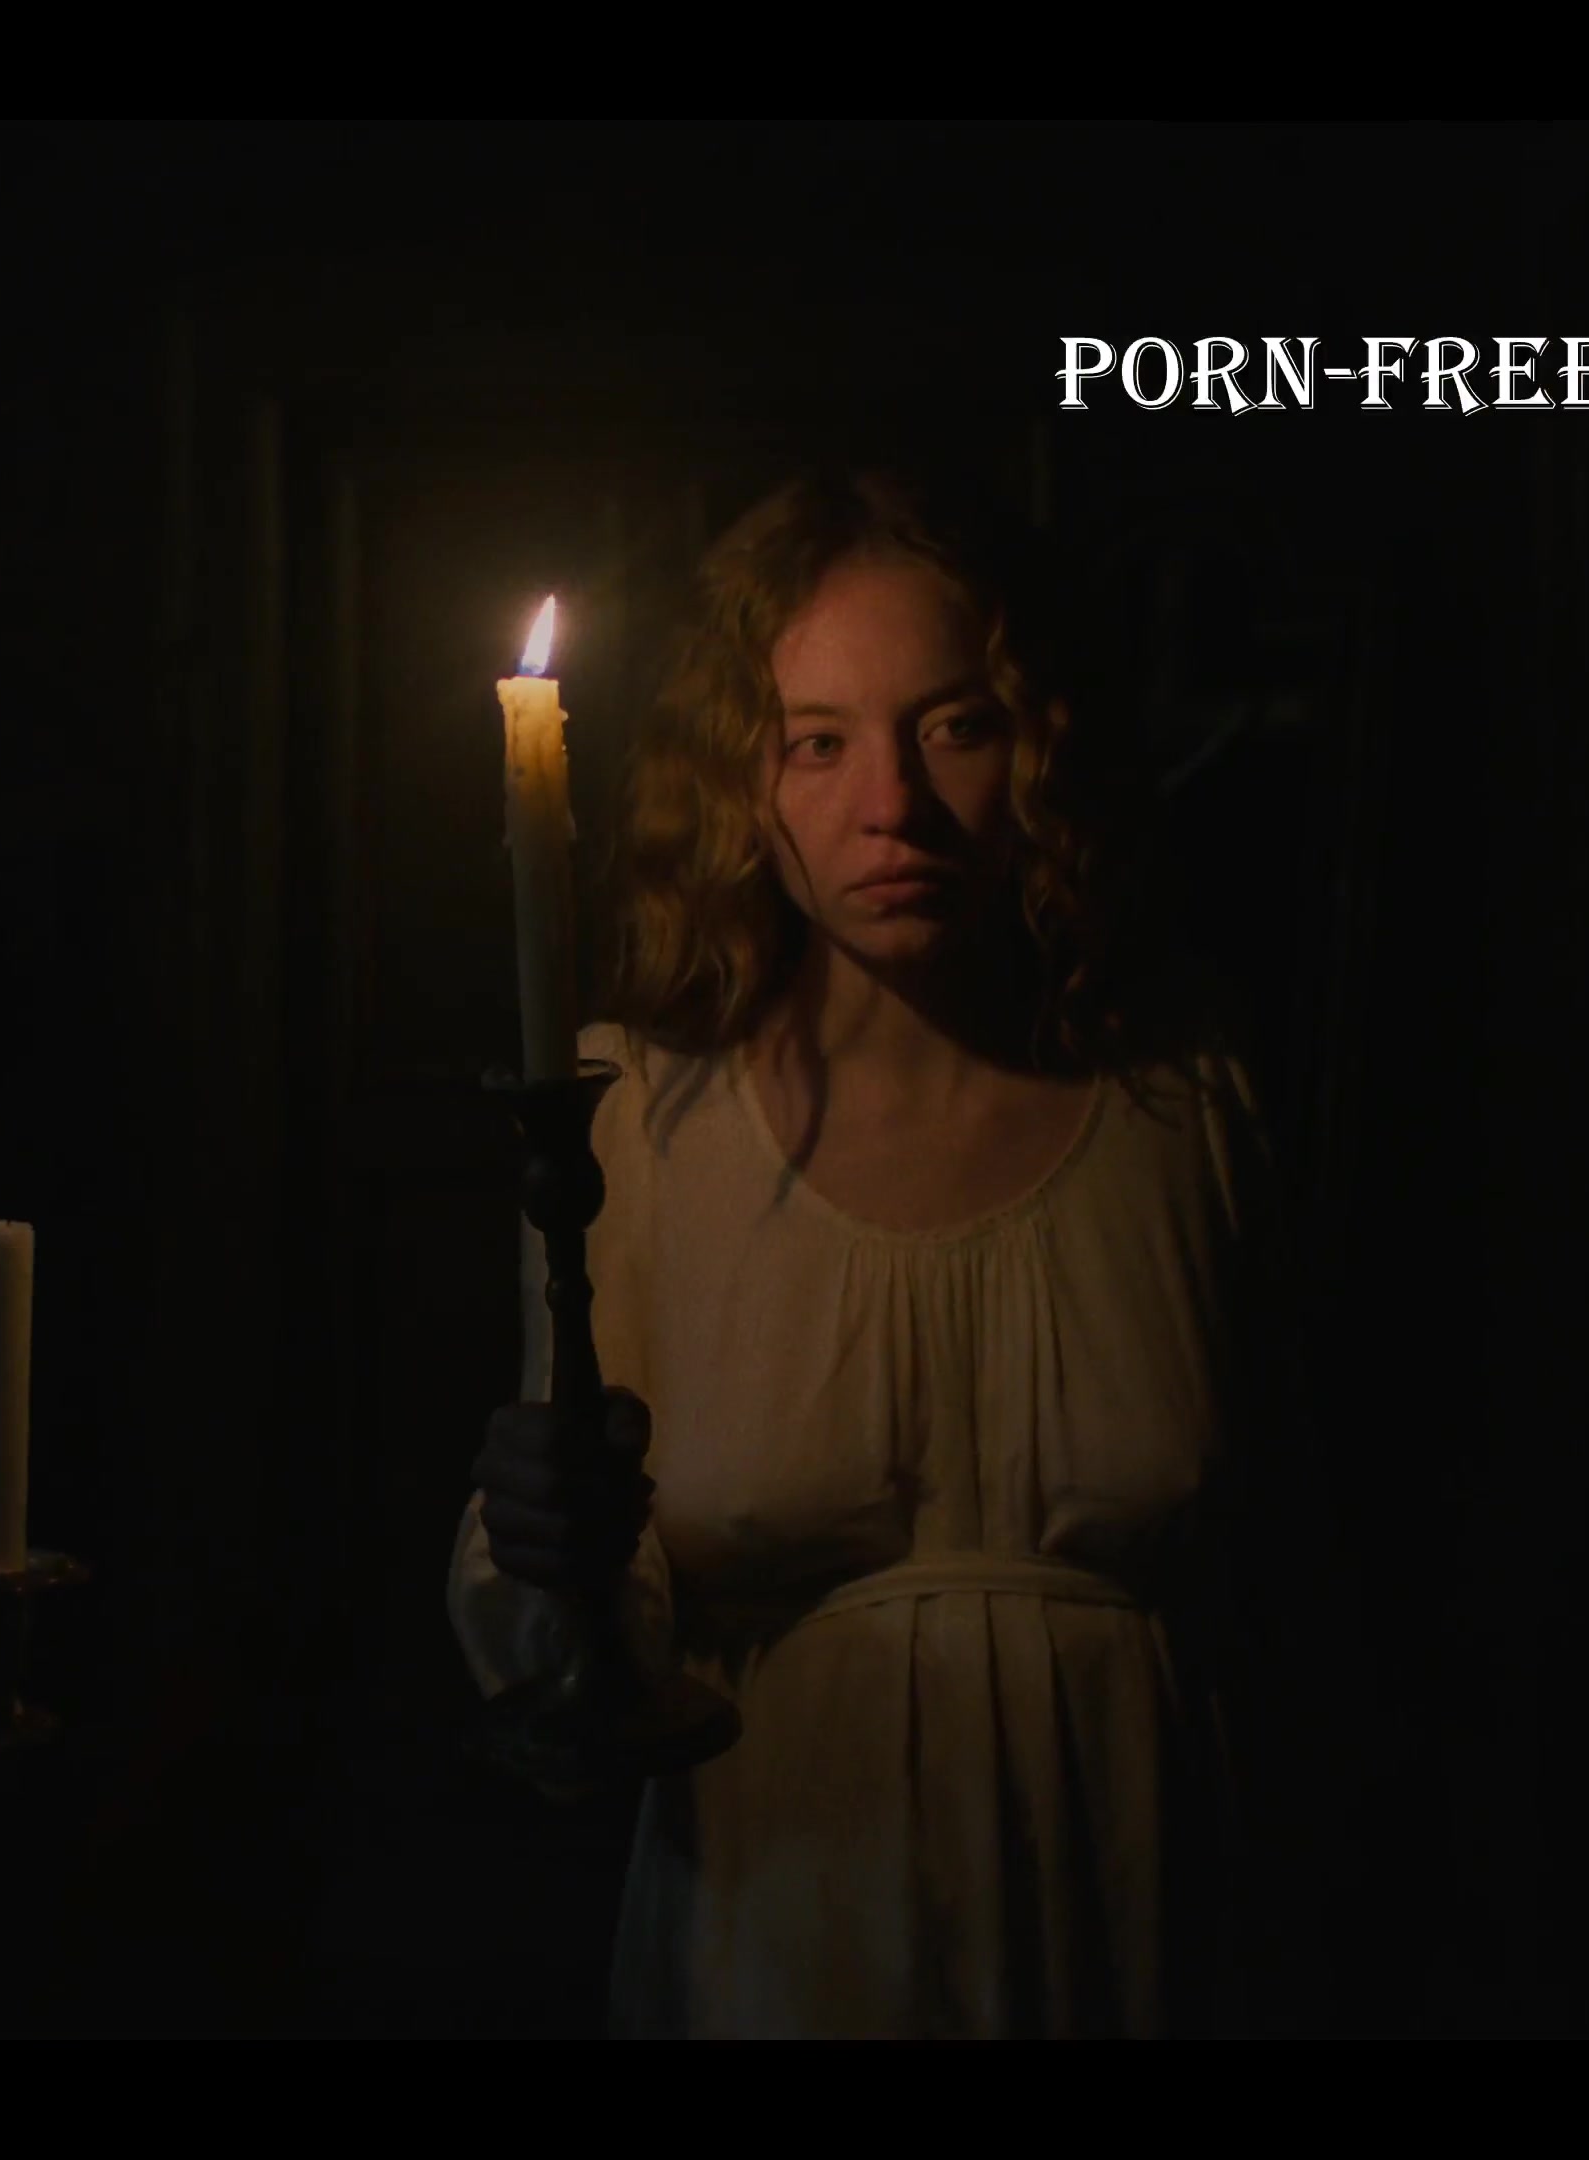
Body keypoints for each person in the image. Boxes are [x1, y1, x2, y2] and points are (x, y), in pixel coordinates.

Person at [452, 466, 1289, 2040]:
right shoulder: (641, 1119)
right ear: (740, 780)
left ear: (1038, 743)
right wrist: (551, 1543)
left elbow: (1316, 1568)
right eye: (817, 743)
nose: (893, 805)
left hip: (1134, 1914)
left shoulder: (1187, 1100)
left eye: (954, 726)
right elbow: (577, 1628)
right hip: (785, 1931)